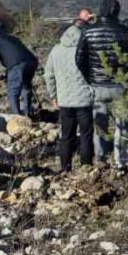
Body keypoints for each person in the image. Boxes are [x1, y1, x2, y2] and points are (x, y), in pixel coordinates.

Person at [77, 0, 128, 168]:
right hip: (119, 85)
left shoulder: (88, 32)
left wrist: (89, 78)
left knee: (99, 123)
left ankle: (100, 157)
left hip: (97, 85)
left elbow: (79, 59)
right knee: (122, 126)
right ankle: (120, 161)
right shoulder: (125, 31)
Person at [44, 26, 94, 173]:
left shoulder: (56, 50)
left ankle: (65, 169)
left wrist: (53, 95)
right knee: (86, 135)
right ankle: (86, 168)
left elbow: (49, 75)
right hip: (84, 100)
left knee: (66, 136)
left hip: (64, 100)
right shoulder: (86, 51)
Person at [0, 19, 38, 116]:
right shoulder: (11, 38)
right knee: (26, 87)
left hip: (17, 65)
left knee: (13, 92)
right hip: (31, 61)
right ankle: (28, 113)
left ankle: (17, 117)